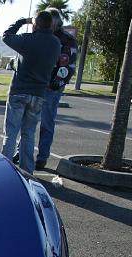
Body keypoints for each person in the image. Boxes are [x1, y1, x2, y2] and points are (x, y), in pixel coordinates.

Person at [0, 11, 60, 174]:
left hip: (19, 91)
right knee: (28, 134)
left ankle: (6, 169)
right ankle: (27, 171)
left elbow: (6, 35)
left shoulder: (28, 40)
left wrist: (21, 21)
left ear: (36, 24)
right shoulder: (56, 43)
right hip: (39, 93)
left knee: (11, 132)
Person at [33, 8, 78, 170]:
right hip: (35, 85)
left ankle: (42, 157)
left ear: (56, 21)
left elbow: (68, 66)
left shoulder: (67, 40)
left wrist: (55, 83)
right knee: (28, 122)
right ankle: (21, 152)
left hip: (51, 88)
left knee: (46, 122)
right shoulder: (39, 35)